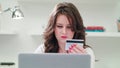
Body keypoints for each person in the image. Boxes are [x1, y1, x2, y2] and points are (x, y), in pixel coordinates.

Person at [35, 2, 95, 68]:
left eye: (69, 27)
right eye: (59, 26)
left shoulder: (87, 53)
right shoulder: (42, 50)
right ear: (53, 28)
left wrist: (82, 63)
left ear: (76, 28)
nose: (64, 32)